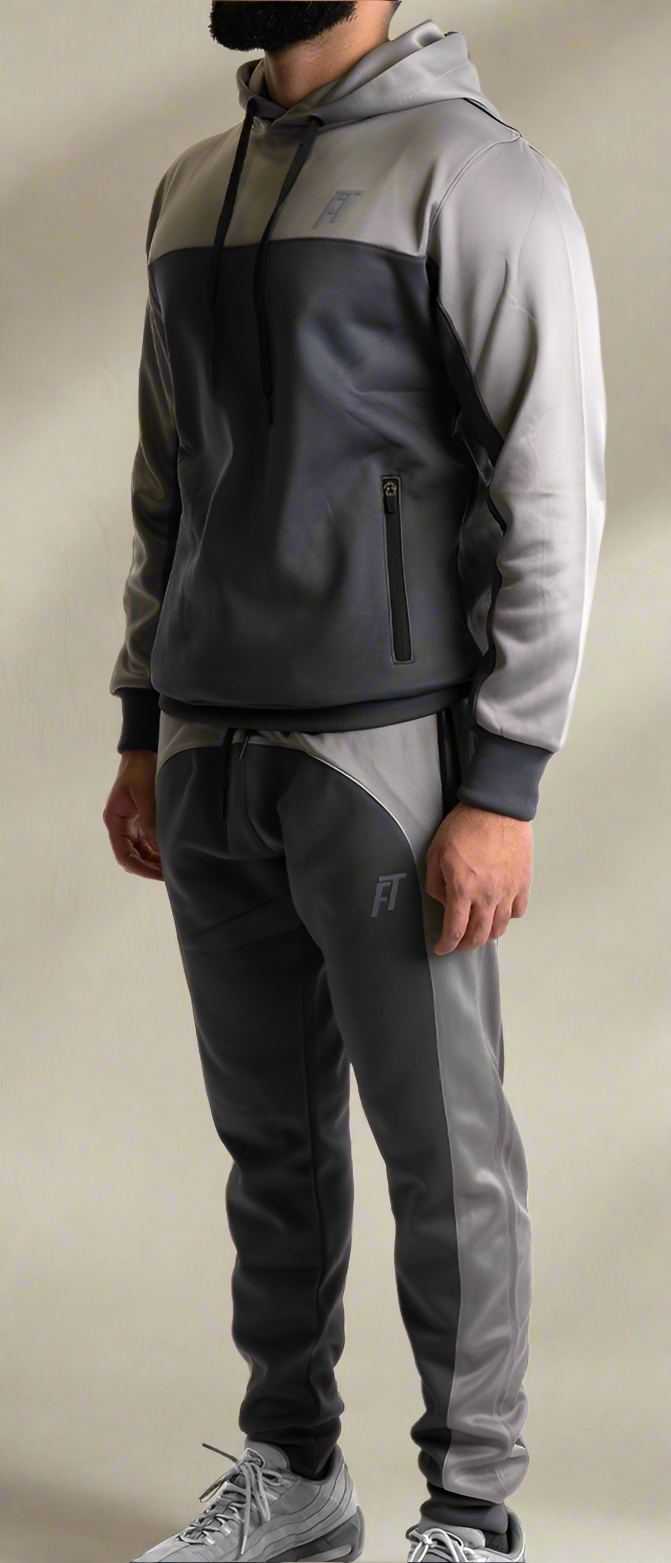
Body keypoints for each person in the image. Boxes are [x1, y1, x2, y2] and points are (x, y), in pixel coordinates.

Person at [103, 3, 607, 1559]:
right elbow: (169, 476)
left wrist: (503, 780)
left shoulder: (476, 177)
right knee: (272, 1148)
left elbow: (551, 485)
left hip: (389, 754)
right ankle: (295, 1473)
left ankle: (469, 1511)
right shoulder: (190, 186)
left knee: (442, 1156)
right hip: (209, 745)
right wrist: (141, 720)